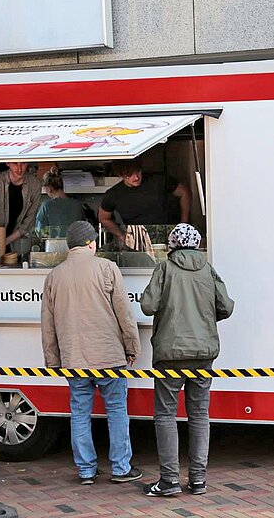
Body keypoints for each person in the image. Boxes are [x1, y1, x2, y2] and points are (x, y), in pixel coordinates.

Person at [40, 220, 143, 485]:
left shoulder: (54, 276)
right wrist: (132, 347)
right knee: (117, 410)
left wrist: (53, 360)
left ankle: (86, 470)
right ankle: (121, 468)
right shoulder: (107, 268)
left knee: (80, 412)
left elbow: (48, 325)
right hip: (109, 356)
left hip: (73, 358)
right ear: (90, 242)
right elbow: (124, 313)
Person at [140, 223, 234, 497]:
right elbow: (226, 306)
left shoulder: (164, 269)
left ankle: (169, 481)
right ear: (196, 245)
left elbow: (148, 305)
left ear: (171, 246)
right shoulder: (208, 270)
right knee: (199, 415)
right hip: (204, 354)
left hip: (170, 354)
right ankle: (198, 480)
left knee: (166, 415)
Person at [98, 158, 191, 251]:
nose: (136, 177)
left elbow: (185, 192)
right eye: (129, 175)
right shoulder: (114, 194)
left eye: (138, 172)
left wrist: (183, 223)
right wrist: (120, 235)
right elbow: (103, 218)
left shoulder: (158, 180)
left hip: (169, 238)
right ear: (121, 175)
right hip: (138, 243)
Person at [0, 162, 42, 262]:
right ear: (8, 163)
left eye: (23, 163)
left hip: (16, 244)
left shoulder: (34, 185)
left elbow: (27, 224)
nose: (19, 168)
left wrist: (4, 243)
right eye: (15, 163)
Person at [35, 168, 85, 238]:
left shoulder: (46, 206)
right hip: (74, 246)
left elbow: (39, 232)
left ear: (48, 189)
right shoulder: (77, 205)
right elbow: (84, 230)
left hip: (53, 247)